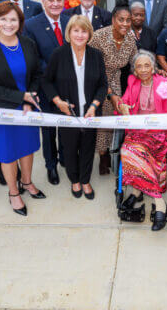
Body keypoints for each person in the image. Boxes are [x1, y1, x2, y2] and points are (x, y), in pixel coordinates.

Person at [0, 2, 45, 217]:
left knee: (27, 147)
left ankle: (27, 182)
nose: (8, 23)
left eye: (13, 19)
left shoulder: (28, 43)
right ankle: (14, 192)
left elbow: (36, 75)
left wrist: (28, 98)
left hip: (27, 108)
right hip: (2, 110)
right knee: (7, 154)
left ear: (20, 22)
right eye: (3, 19)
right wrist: (20, 96)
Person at [43, 15, 108, 200]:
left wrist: (95, 105)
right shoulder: (58, 54)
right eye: (76, 30)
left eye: (84, 31)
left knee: (88, 147)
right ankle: (75, 180)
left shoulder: (96, 55)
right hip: (66, 112)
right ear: (69, 33)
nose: (80, 35)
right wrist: (57, 102)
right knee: (70, 148)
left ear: (89, 33)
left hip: (90, 112)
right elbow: (47, 82)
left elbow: (103, 85)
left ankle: (85, 180)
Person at [118, 51, 167, 231]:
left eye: (147, 65)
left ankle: (137, 191)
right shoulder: (132, 82)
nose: (143, 69)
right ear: (134, 70)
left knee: (140, 152)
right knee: (129, 149)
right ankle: (159, 202)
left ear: (153, 67)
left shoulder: (165, 84)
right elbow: (124, 102)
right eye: (139, 66)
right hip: (137, 133)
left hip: (160, 134)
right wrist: (122, 107)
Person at [23, 0, 70, 186]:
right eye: (51, 0)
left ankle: (66, 159)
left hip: (69, 85)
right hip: (44, 85)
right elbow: (33, 57)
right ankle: (51, 165)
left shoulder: (70, 21)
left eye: (59, 0)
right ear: (43, 2)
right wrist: (56, 72)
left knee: (66, 125)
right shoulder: (31, 25)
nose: (55, 4)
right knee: (49, 128)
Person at [89, 2, 138, 175]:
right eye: (121, 19)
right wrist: (110, 94)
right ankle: (102, 156)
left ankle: (112, 151)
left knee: (114, 118)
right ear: (113, 19)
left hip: (117, 82)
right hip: (95, 82)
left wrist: (151, 74)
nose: (125, 23)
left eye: (128, 20)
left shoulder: (130, 39)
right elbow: (92, 68)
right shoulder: (98, 36)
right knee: (102, 118)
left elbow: (135, 64)